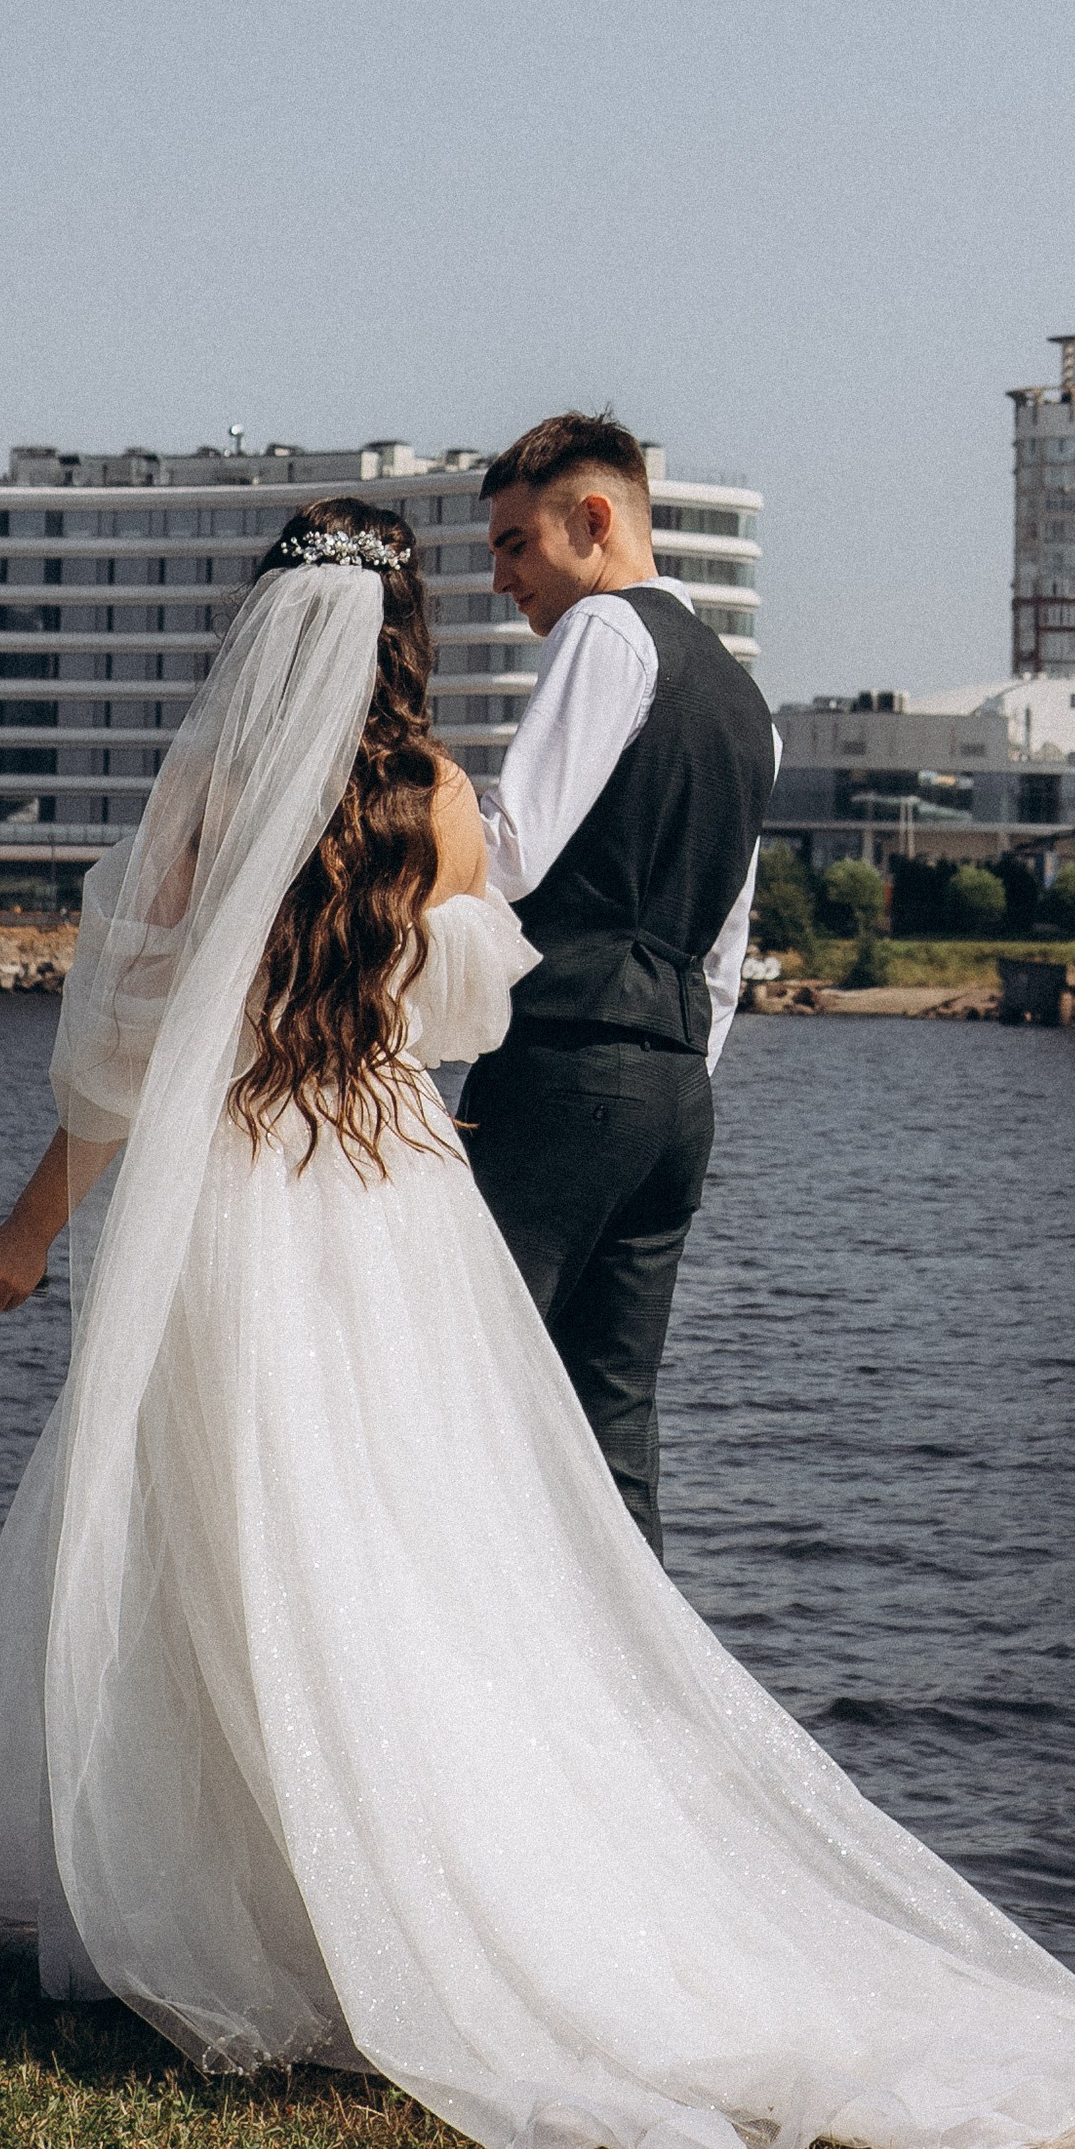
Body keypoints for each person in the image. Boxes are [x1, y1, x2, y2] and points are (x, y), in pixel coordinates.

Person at [0, 499, 1075, 2149]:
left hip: (241, 1194)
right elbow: (457, 1018)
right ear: (405, 638)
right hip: (394, 1193)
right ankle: (405, 1885)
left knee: (233, 1528)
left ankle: (262, 1903)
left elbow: (118, 1062)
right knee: (413, 1548)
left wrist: (32, 1229)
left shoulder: (211, 797)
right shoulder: (445, 807)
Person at [467, 411, 778, 1556]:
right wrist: (668, 1073)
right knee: (613, 1434)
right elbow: (725, 957)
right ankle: (636, 1671)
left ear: (593, 520)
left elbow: (508, 851)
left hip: (568, 1066)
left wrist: (403, 818)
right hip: (674, 1100)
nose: (501, 577)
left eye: (515, 544)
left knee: (468, 1379)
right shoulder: (748, 708)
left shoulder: (606, 629)